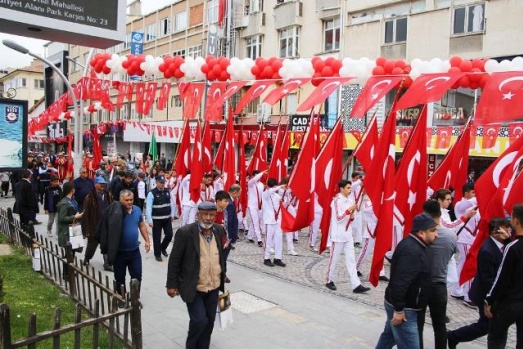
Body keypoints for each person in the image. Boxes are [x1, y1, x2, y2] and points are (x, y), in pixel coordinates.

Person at [166, 202, 227, 349]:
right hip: (193, 287)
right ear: (198, 214)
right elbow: (174, 260)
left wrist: (222, 273)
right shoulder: (185, 232)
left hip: (213, 286)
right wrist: (171, 284)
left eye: (211, 215)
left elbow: (221, 255)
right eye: (205, 214)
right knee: (200, 320)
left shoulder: (219, 230)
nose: (208, 218)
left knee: (210, 321)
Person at [376, 213, 439, 349]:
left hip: (400, 304)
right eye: (433, 231)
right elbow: (400, 282)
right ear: (421, 233)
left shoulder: (415, 245)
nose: (437, 234)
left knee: (388, 337)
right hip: (405, 310)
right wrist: (399, 310)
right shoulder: (412, 250)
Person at [447, 218, 512, 349]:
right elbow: (488, 278)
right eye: (505, 229)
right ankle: (454, 336)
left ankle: (454, 336)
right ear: (495, 233)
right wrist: (492, 299)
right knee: (486, 325)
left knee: (489, 325)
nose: (509, 231)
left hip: (493, 293)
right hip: (485, 294)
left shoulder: (503, 245)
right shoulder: (488, 250)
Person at [417, 200, 458, 349]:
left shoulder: (420, 235)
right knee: (440, 325)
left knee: (418, 323)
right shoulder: (451, 236)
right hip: (440, 284)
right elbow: (451, 254)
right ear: (440, 214)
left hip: (421, 285)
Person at [484, 204, 523, 348]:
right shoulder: (513, 245)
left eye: (511, 217)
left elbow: (502, 277)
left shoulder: (512, 248)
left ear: (516, 221)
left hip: (509, 302)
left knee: (496, 338)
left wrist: (489, 299)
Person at [98, 189, 151, 295]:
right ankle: (121, 298)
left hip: (134, 252)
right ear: (120, 199)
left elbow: (141, 225)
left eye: (131, 199)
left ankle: (135, 300)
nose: (130, 202)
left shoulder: (137, 210)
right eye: (127, 200)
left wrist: (147, 240)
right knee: (120, 278)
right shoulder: (115, 213)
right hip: (120, 253)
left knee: (137, 276)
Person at [325, 180, 370, 294]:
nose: (350, 190)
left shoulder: (350, 200)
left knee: (351, 260)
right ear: (341, 189)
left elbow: (349, 218)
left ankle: (356, 285)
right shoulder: (336, 201)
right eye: (348, 188)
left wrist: (352, 216)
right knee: (333, 259)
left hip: (348, 235)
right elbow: (338, 218)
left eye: (350, 188)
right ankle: (329, 280)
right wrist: (349, 210)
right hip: (338, 236)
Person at [453, 183, 481, 308]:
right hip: (464, 238)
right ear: (466, 193)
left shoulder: (476, 206)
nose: (475, 195)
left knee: (463, 263)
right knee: (469, 264)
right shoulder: (460, 205)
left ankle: (457, 289)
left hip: (472, 238)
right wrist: (484, 193)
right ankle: (468, 295)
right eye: (473, 192)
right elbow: (469, 204)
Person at [82, 176, 113, 270]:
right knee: (92, 245)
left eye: (104, 184)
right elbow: (85, 214)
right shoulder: (89, 197)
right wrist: (86, 229)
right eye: (101, 184)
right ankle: (87, 258)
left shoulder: (108, 195)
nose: (103, 185)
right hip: (94, 226)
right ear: (95, 184)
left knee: (106, 245)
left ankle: (107, 264)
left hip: (106, 225)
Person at [146, 175, 175, 262]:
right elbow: (148, 207)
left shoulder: (167, 191)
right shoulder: (152, 193)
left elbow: (171, 203)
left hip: (167, 218)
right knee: (157, 237)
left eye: (163, 182)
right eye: (161, 182)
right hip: (156, 219)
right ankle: (157, 254)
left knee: (169, 234)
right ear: (156, 182)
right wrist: (150, 220)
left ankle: (163, 248)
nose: (162, 184)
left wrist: (172, 214)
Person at [262, 178, 286, 267]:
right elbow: (270, 191)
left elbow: (284, 202)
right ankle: (266, 258)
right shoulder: (265, 194)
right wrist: (280, 186)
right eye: (272, 186)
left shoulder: (277, 196)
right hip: (269, 220)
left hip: (277, 221)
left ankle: (277, 258)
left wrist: (285, 195)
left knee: (279, 239)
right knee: (268, 239)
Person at [247, 170, 266, 246]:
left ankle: (249, 236)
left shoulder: (261, 184)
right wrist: (262, 173)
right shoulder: (250, 183)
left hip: (259, 206)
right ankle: (259, 240)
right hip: (252, 206)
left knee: (254, 221)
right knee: (255, 222)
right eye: (256, 175)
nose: (258, 177)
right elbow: (254, 179)